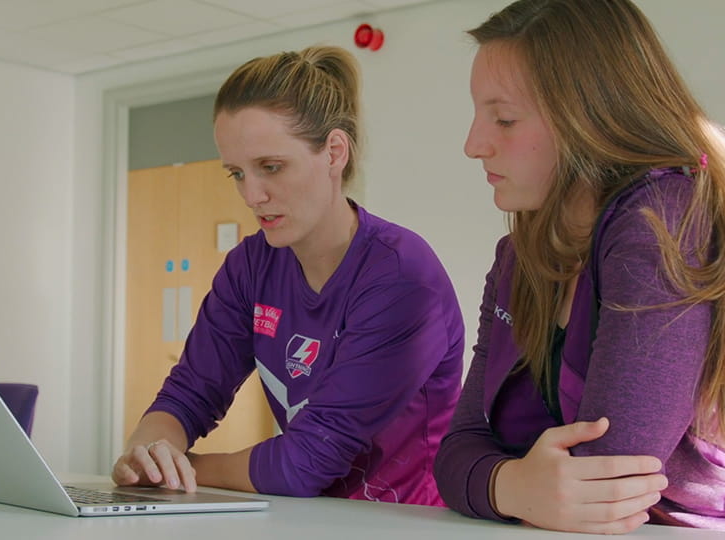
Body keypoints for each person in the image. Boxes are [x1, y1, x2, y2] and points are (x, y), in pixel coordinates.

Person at [433, 0, 725, 534]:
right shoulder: (519, 255)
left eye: (504, 118)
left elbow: (608, 477)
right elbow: (459, 447)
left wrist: (507, 486)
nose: (472, 145)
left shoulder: (663, 218)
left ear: (589, 115)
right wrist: (515, 486)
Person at [113, 45, 464, 506]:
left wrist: (182, 470)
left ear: (335, 152)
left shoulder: (400, 277)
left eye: (271, 167)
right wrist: (148, 453)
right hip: (305, 519)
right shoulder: (250, 266)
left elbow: (305, 464)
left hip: (404, 524)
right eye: (236, 173)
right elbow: (190, 393)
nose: (252, 195)